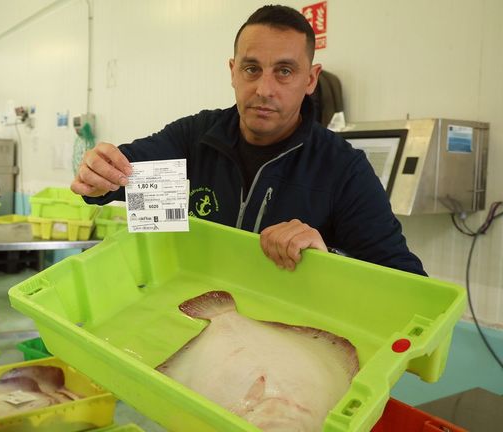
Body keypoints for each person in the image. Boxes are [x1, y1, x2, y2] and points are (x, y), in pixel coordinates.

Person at [71, 5, 425, 276]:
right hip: (191, 313)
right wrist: (98, 173)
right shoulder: (196, 138)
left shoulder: (343, 168)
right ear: (233, 71)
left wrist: (329, 258)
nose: (264, 89)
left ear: (310, 79)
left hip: (287, 331)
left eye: (284, 71)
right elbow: (119, 174)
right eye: (252, 69)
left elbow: (406, 278)